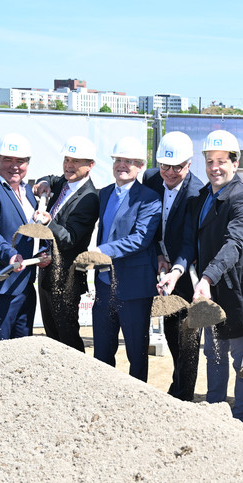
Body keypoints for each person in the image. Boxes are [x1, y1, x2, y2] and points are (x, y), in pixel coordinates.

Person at [159, 130, 243, 423]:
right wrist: (177, 271)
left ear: (235, 163)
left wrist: (206, 279)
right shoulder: (202, 196)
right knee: (214, 355)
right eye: (209, 161)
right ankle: (215, 417)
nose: (215, 168)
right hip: (212, 294)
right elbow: (189, 243)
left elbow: (233, 244)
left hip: (240, 296)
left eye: (221, 161)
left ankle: (241, 422)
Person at [89, 137, 161, 381]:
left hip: (134, 288)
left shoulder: (149, 198)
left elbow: (141, 238)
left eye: (129, 161)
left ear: (140, 166)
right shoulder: (106, 193)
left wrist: (103, 251)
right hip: (104, 284)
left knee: (136, 353)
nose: (122, 165)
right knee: (102, 350)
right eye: (118, 160)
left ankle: (138, 399)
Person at [143, 131, 205, 401]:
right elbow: (148, 224)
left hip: (188, 275)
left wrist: (176, 269)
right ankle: (177, 385)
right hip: (160, 269)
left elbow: (191, 241)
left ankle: (184, 396)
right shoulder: (150, 178)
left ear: (189, 164)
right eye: (164, 166)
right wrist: (158, 255)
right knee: (170, 332)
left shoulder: (197, 193)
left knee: (188, 339)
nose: (168, 172)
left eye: (176, 167)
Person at [32, 136, 101, 351]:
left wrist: (48, 223)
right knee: (52, 334)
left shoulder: (90, 198)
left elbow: (70, 239)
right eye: (67, 159)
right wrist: (43, 181)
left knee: (67, 336)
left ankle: (76, 379)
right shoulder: (63, 181)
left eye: (76, 161)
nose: (69, 165)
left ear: (90, 165)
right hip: (46, 272)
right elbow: (51, 178)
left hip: (66, 279)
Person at [0, 133, 39, 342]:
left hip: (26, 283)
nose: (14, 166)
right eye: (7, 160)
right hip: (3, 284)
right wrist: (10, 255)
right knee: (0, 347)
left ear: (27, 164)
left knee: (23, 347)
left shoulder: (27, 190)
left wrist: (43, 252)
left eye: (20, 161)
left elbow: (34, 230)